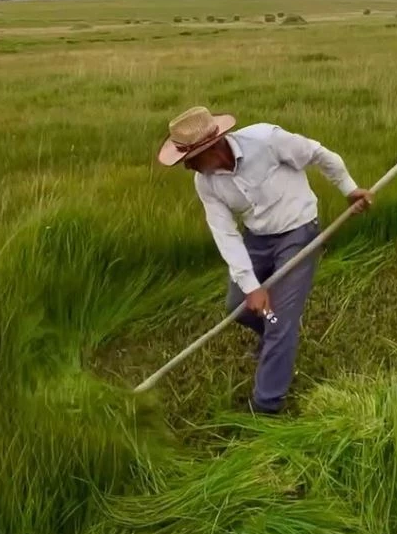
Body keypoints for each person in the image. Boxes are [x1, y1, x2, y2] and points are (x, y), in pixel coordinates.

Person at [157, 106, 373, 415]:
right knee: (238, 307)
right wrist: (250, 286)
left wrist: (349, 189)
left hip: (298, 231)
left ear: (213, 147)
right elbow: (225, 233)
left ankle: (266, 406)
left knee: (279, 319)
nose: (186, 166)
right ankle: (275, 339)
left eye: (189, 158)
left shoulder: (266, 140)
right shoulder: (205, 181)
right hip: (257, 237)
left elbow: (319, 154)